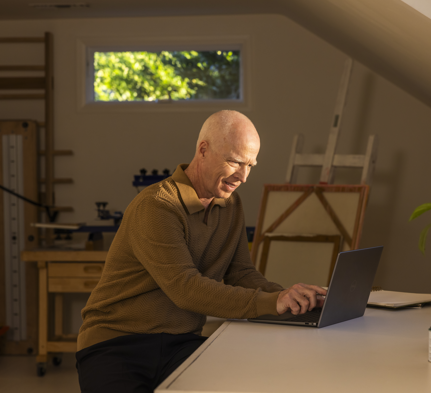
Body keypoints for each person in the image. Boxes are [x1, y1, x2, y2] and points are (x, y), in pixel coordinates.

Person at [76, 110, 326, 392]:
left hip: (181, 343)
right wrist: (272, 302)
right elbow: (185, 288)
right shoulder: (158, 205)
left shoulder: (230, 204)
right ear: (203, 150)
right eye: (234, 162)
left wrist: (291, 299)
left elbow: (241, 273)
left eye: (251, 165)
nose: (243, 176)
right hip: (116, 344)